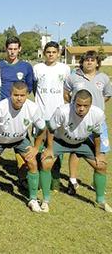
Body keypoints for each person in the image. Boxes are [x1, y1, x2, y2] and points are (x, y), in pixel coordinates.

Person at [40, 89, 111, 212]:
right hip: (60, 141)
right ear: (73, 102)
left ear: (91, 105)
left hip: (82, 143)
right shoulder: (62, 111)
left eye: (85, 106)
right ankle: (45, 200)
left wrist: (98, 154)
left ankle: (101, 201)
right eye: (79, 105)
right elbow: (50, 129)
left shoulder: (97, 114)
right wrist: (49, 148)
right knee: (46, 162)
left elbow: (97, 135)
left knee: (101, 165)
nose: (82, 108)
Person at [0, 82, 45, 213]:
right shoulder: (0, 107)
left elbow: (42, 129)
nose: (19, 98)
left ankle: (33, 199)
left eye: (22, 95)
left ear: (27, 95)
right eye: (16, 95)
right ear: (11, 94)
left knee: (32, 162)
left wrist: (36, 147)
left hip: (20, 140)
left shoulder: (33, 108)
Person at [63, 50, 112, 194]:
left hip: (98, 122)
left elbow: (107, 95)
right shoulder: (73, 77)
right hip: (79, 122)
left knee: (101, 152)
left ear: (97, 62)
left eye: (92, 60)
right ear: (82, 62)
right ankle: (72, 180)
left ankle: (96, 182)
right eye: (86, 60)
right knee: (76, 150)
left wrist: (96, 108)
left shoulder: (103, 78)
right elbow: (66, 94)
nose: (89, 62)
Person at [33, 41, 70, 191]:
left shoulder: (65, 69)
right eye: (48, 52)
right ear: (44, 52)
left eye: (54, 52)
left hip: (58, 115)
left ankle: (55, 179)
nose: (51, 55)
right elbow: (35, 88)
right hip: (40, 115)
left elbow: (67, 90)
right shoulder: (37, 68)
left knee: (56, 148)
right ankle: (40, 180)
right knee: (39, 147)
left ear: (58, 53)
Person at [0, 36, 35, 187]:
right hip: (3, 111)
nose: (12, 52)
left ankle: (23, 177)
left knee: (21, 143)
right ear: (6, 49)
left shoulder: (26, 67)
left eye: (15, 49)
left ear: (19, 49)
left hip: (20, 111)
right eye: (10, 49)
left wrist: (20, 101)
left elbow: (30, 86)